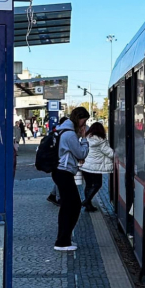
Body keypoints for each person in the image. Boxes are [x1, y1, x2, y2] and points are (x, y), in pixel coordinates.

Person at [51, 106, 90, 251]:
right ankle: (62, 242)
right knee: (73, 206)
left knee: (68, 206)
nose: (84, 125)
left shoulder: (63, 129)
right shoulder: (70, 135)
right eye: (84, 121)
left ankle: (64, 239)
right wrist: (84, 139)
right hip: (64, 172)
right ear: (79, 119)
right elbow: (81, 153)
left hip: (60, 171)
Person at [79, 122, 114, 211]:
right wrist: (117, 154)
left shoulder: (86, 138)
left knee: (88, 185)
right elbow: (109, 153)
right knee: (98, 184)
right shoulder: (100, 140)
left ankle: (88, 206)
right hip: (95, 168)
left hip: (85, 166)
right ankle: (86, 202)